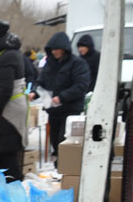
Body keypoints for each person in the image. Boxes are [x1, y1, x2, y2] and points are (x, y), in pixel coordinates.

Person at [31, 31, 91, 159]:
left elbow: (81, 85)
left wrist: (62, 97)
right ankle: (59, 166)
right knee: (54, 141)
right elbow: (41, 82)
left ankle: (64, 167)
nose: (55, 52)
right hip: (53, 110)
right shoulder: (49, 65)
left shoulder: (77, 63)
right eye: (52, 49)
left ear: (65, 49)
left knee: (64, 140)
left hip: (70, 109)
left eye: (57, 49)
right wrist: (34, 93)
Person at [0, 20, 27, 181]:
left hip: (9, 111)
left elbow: (5, 89)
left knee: (5, 153)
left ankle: (14, 189)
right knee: (3, 153)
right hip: (8, 107)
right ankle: (12, 190)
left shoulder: (8, 56)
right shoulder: (8, 54)